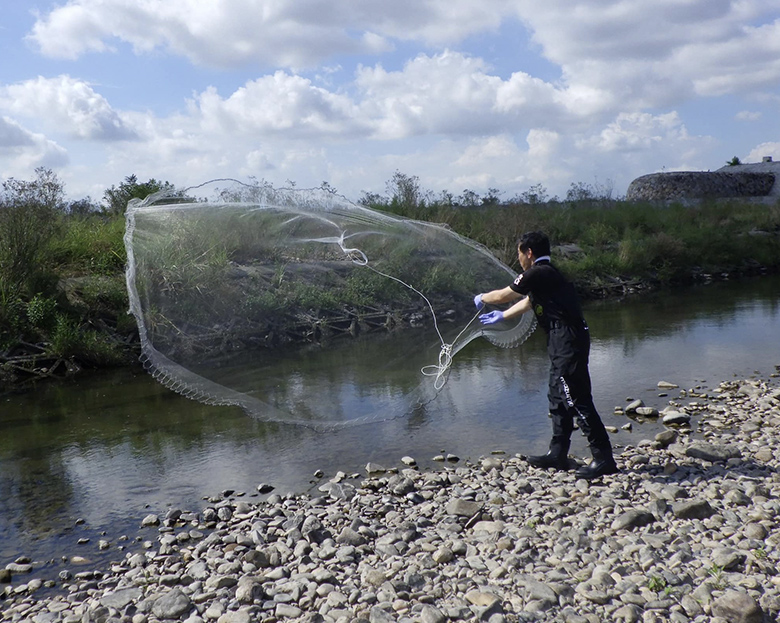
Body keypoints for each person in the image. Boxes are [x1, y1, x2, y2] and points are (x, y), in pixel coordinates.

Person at [474, 231, 618, 480]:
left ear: (529, 252)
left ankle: (604, 457)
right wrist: (503, 316)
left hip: (568, 339)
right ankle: (557, 453)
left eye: (519, 254)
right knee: (556, 395)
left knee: (575, 397)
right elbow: (530, 301)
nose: (519, 259)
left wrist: (482, 298)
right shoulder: (547, 274)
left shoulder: (538, 272)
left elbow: (504, 295)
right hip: (561, 338)